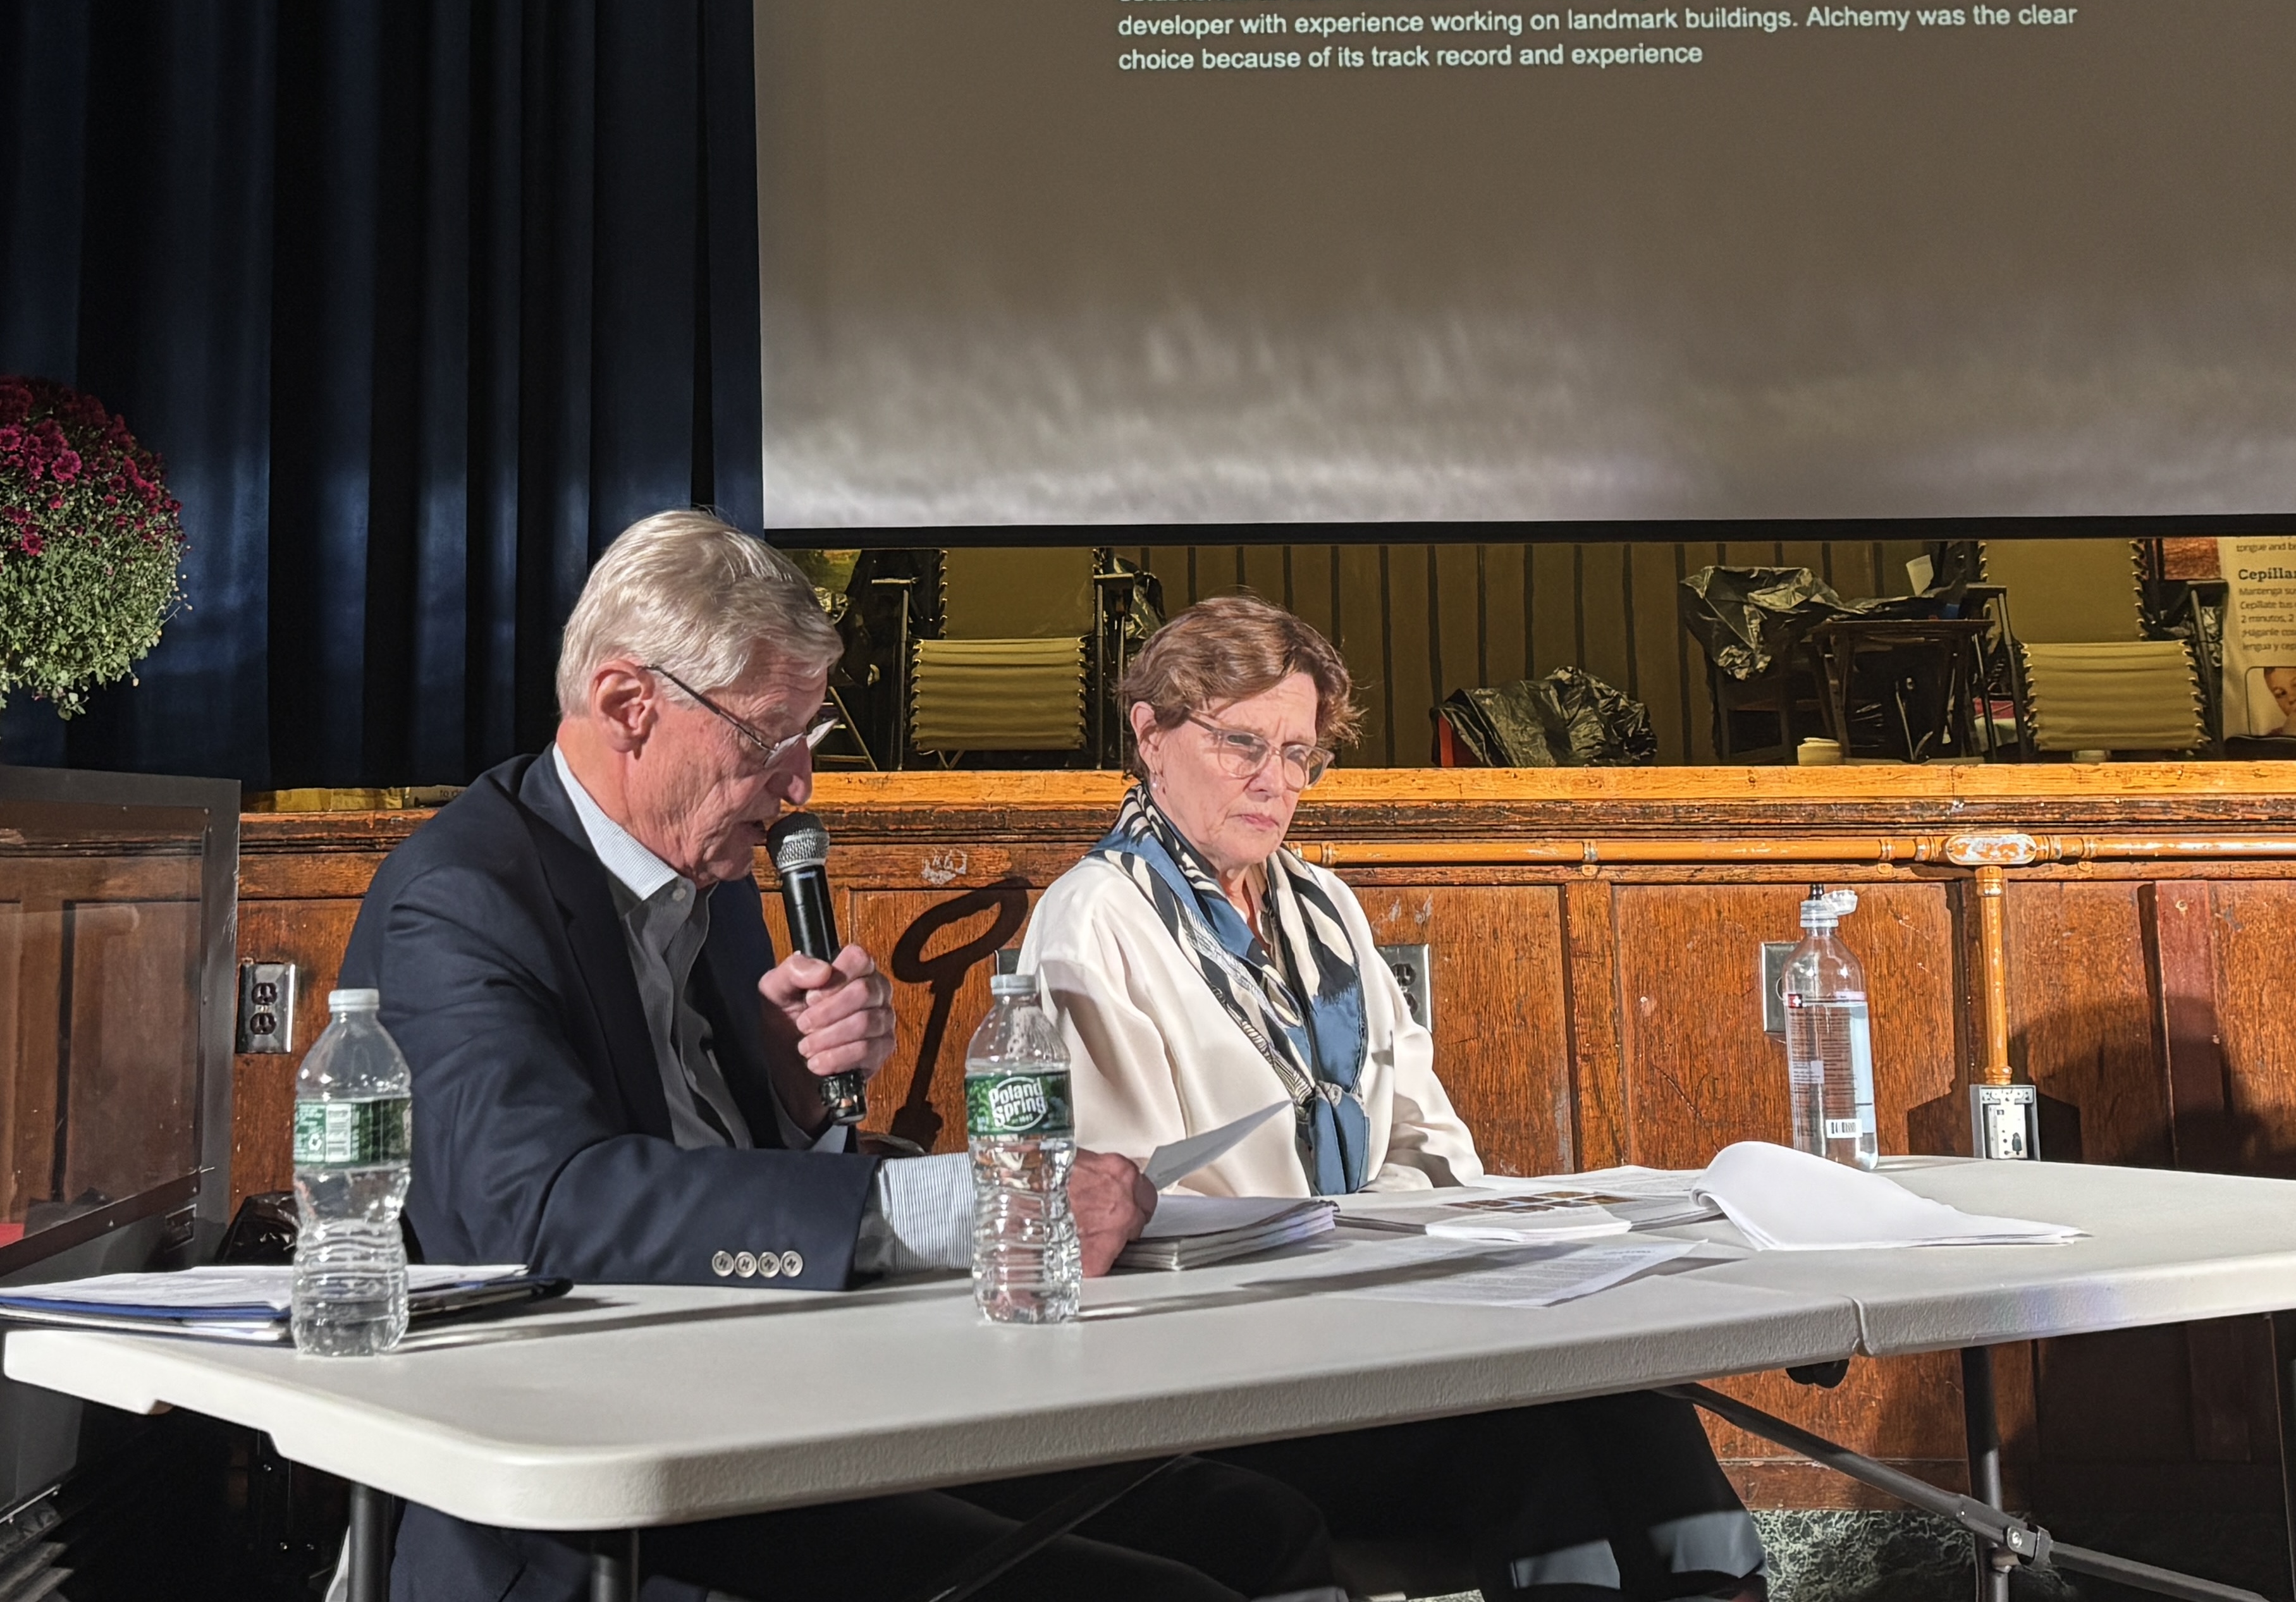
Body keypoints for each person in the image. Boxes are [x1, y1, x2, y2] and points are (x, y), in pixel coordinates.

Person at [340, 513, 1338, 1602]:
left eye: (806, 743)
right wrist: (979, 1202)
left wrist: (799, 1102)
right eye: (770, 739)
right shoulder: (461, 899)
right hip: (603, 1501)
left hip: (771, 1414)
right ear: (631, 705)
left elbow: (729, 1174)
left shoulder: (708, 877)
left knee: (1260, 1523)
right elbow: (536, 1214)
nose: (798, 788)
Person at [1023, 593, 1766, 1602]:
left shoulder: (1321, 905)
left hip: (1395, 1325)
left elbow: (1426, 1138)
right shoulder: (1094, 919)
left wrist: (1511, 1254)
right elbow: (1128, 1219)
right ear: (1149, 734)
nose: (1272, 780)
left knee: (1637, 1403)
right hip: (1240, 1369)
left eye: (1299, 753)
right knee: (1533, 1445)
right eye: (1242, 742)